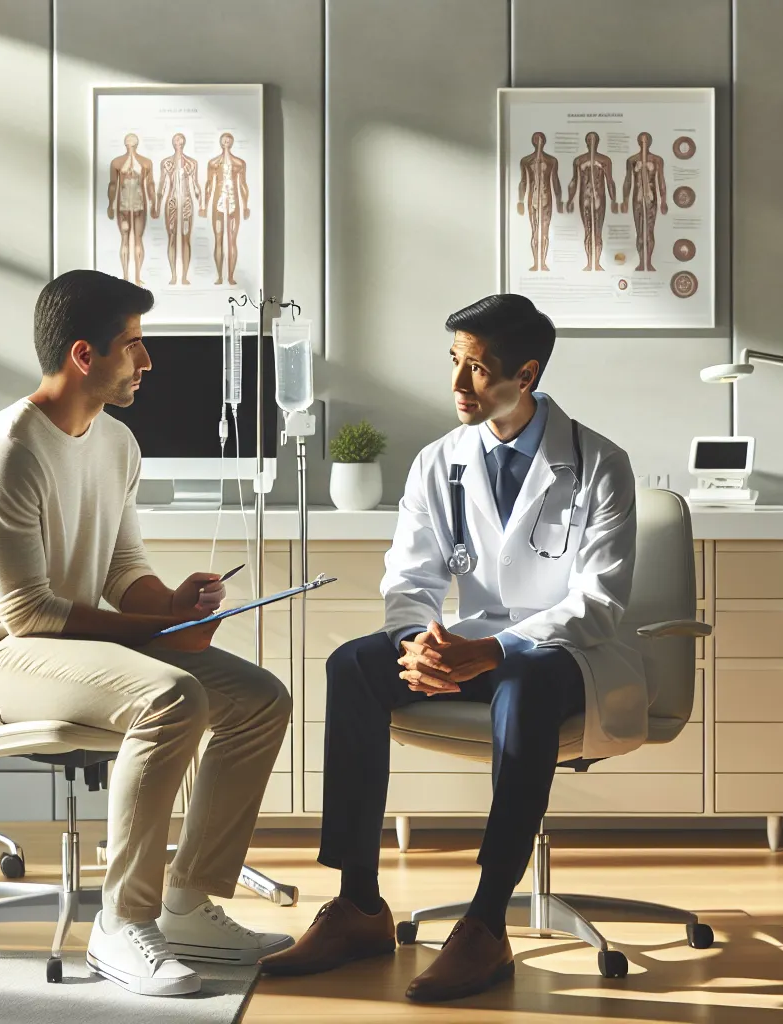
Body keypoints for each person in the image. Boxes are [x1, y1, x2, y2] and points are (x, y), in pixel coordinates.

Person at [259, 294, 643, 1002]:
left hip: (566, 658)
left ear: (525, 375)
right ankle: (358, 904)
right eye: (454, 365)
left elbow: (598, 604)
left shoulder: (599, 464)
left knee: (524, 685)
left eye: (477, 369)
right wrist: (417, 643)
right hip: (469, 648)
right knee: (354, 664)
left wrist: (494, 652)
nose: (458, 387)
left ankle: (487, 921)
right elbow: (409, 579)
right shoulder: (441, 462)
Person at [0, 269, 292, 997]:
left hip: (80, 652)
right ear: (84, 355)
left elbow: (121, 567)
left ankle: (188, 903)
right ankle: (121, 924)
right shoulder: (7, 450)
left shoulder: (116, 443)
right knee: (172, 694)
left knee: (260, 698)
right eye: (133, 346)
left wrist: (173, 604)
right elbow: (28, 614)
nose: (147, 361)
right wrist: (157, 630)